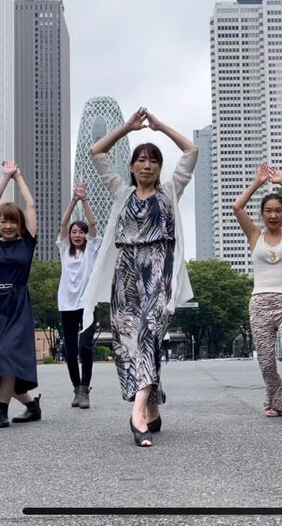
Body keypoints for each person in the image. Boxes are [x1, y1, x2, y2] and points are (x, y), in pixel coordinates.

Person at [80, 107, 197, 447]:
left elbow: (191, 151)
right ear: (131, 167)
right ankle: (152, 406)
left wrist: (160, 127)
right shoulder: (121, 192)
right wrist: (127, 128)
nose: (147, 165)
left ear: (160, 167)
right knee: (127, 345)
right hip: (125, 275)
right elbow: (97, 152)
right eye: (141, 160)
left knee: (148, 334)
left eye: (154, 160)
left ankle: (137, 415)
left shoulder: (170, 192)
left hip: (158, 273)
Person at [234, 163, 282, 424]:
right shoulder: (254, 235)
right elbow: (237, 207)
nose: (273, 215)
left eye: (278, 210)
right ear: (262, 214)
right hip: (260, 304)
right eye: (268, 211)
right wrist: (257, 183)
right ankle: (275, 400)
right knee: (267, 361)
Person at [0, 161, 41, 428]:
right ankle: (32, 405)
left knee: (6, 356)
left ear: (20, 224)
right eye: (3, 221)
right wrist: (5, 177)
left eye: (13, 221)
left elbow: (31, 206)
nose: (8, 226)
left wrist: (19, 177)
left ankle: (0, 410)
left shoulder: (27, 243)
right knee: (1, 363)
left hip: (17, 304)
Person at [57, 182, 102, 409]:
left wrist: (84, 201)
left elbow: (93, 225)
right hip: (66, 304)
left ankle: (85, 390)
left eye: (80, 232)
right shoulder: (65, 249)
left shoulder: (91, 249)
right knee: (70, 351)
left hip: (87, 304)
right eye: (74, 232)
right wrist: (72, 201)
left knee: (85, 347)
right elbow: (63, 224)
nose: (77, 235)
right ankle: (76, 389)